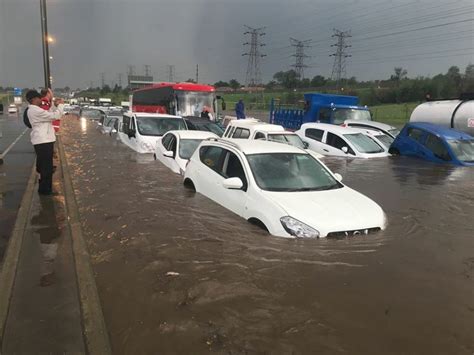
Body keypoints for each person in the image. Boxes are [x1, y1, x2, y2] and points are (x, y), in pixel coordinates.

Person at [26, 90, 64, 195]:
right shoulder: (35, 111)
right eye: (38, 98)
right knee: (47, 167)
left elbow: (49, 114)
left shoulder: (36, 110)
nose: (40, 100)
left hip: (44, 140)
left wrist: (54, 106)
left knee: (44, 166)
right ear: (33, 99)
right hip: (43, 141)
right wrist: (60, 106)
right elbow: (55, 116)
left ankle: (44, 187)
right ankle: (45, 190)